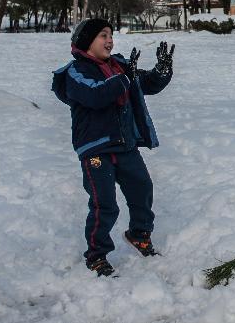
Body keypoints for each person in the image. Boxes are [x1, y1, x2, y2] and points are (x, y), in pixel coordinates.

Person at [51, 19, 174, 277]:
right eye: (103, 35)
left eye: (110, 35)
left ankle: (139, 234)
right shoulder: (76, 72)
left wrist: (161, 72)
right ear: (87, 41)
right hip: (96, 149)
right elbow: (96, 95)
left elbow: (145, 83)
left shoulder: (119, 66)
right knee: (104, 203)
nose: (109, 40)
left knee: (142, 189)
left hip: (125, 145)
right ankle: (96, 255)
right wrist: (125, 77)